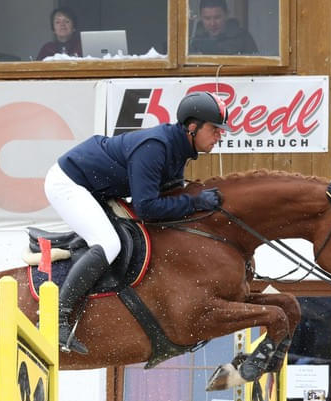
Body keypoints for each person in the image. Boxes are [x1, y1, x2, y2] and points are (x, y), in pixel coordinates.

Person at [44, 91, 229, 353]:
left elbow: (169, 196)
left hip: (97, 188)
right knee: (109, 244)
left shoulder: (179, 149)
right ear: (192, 126)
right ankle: (55, 318)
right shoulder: (156, 147)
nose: (220, 135)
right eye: (214, 129)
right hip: (69, 183)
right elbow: (147, 207)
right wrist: (197, 202)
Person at [189, 0, 258, 56]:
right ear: (201, 18)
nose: (212, 23)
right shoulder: (195, 40)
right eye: (207, 18)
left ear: (227, 15)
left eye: (217, 17)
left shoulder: (243, 38)